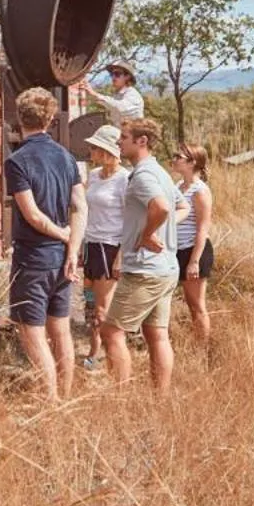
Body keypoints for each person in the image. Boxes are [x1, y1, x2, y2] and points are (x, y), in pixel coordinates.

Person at [4, 88, 85, 401]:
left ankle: (49, 405)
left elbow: (33, 216)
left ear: (18, 118)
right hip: (63, 259)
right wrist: (73, 248)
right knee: (61, 331)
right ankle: (64, 399)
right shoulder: (66, 156)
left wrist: (63, 236)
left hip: (33, 260)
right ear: (50, 119)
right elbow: (80, 206)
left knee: (32, 333)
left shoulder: (17, 161)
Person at [97, 118, 181, 391]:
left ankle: (119, 398)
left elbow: (162, 208)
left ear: (141, 141)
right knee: (157, 334)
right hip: (165, 267)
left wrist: (145, 235)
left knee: (111, 332)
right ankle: (161, 398)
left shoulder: (144, 175)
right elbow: (177, 206)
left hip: (146, 269)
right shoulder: (160, 173)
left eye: (123, 137)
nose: (118, 142)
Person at [77, 124, 127, 371]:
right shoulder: (94, 175)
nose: (90, 151)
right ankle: (93, 351)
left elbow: (132, 220)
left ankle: (109, 355)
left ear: (107, 150)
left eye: (94, 147)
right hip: (91, 246)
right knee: (88, 302)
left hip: (110, 247)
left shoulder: (124, 179)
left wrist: (121, 257)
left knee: (102, 307)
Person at [169, 142, 215, 363]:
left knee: (196, 305)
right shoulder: (178, 186)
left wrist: (194, 262)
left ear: (192, 162)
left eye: (179, 156)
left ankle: (202, 351)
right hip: (176, 250)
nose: (175, 159)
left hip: (193, 251)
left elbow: (202, 229)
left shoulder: (200, 190)